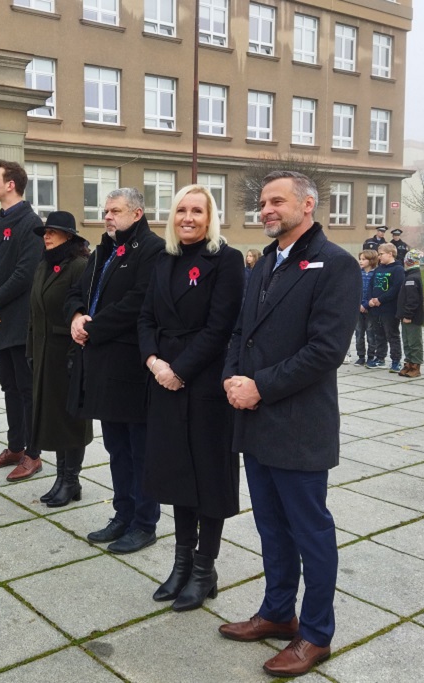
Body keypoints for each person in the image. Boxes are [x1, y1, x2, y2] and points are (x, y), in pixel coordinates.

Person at [219, 170, 359, 678]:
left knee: (310, 530)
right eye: (263, 203)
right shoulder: (265, 262)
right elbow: (241, 331)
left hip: (298, 423)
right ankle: (278, 612)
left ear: (308, 205)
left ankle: (316, 633)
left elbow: (326, 350)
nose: (267, 210)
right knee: (270, 526)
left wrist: (261, 386)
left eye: (277, 201)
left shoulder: (335, 265)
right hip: (255, 421)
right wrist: (233, 376)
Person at [138, 185, 243, 612]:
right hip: (164, 381)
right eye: (181, 209)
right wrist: (154, 362)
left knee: (208, 479)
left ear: (210, 216)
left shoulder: (227, 260)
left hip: (203, 386)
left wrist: (179, 370)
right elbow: (145, 317)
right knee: (177, 476)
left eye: (197, 210)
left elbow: (221, 328)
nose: (188, 217)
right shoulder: (164, 258)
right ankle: (181, 564)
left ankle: (204, 570)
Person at [65, 187, 165, 554]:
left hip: (129, 366)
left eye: (115, 211)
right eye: (105, 210)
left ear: (137, 214)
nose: (107, 216)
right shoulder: (105, 248)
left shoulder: (151, 249)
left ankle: (144, 522)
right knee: (116, 448)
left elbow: (137, 302)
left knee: (139, 450)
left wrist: (92, 327)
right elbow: (77, 290)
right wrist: (76, 316)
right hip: (100, 363)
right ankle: (122, 514)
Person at [0, 160, 45, 481]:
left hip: (19, 324)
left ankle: (33, 454)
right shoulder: (1, 221)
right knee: (8, 388)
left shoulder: (29, 223)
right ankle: (14, 447)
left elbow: (25, 274)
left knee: (26, 389)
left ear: (11, 185)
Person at [25, 211, 92, 506]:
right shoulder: (44, 266)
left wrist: (74, 355)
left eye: (53, 231)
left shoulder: (80, 267)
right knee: (54, 419)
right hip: (43, 354)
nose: (47, 236)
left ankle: (71, 480)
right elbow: (34, 313)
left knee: (71, 420)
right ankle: (62, 477)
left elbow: (86, 313)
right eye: (45, 232)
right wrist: (30, 349)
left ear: (70, 236)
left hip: (67, 355)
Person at [367, 243, 404, 372]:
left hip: (389, 309)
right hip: (376, 309)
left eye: (381, 254)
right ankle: (380, 358)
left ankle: (395, 361)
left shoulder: (398, 269)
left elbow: (396, 288)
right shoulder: (378, 269)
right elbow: (371, 285)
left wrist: (380, 299)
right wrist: (371, 299)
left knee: (392, 335)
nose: (379, 257)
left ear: (390, 254)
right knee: (379, 334)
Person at [396, 248, 424, 377]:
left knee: (414, 342)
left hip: (411, 317)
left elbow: (412, 300)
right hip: (405, 316)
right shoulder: (409, 277)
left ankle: (415, 365)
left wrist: (407, 314)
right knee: (407, 342)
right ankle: (408, 363)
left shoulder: (412, 278)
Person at [351, 250, 377, 366]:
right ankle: (361, 356)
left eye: (364, 259)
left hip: (371, 308)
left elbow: (375, 291)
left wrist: (366, 304)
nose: (361, 261)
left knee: (371, 333)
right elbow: (354, 290)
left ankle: (371, 356)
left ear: (371, 260)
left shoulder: (375, 273)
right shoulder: (357, 273)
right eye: (360, 259)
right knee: (359, 333)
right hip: (358, 308)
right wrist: (359, 305)